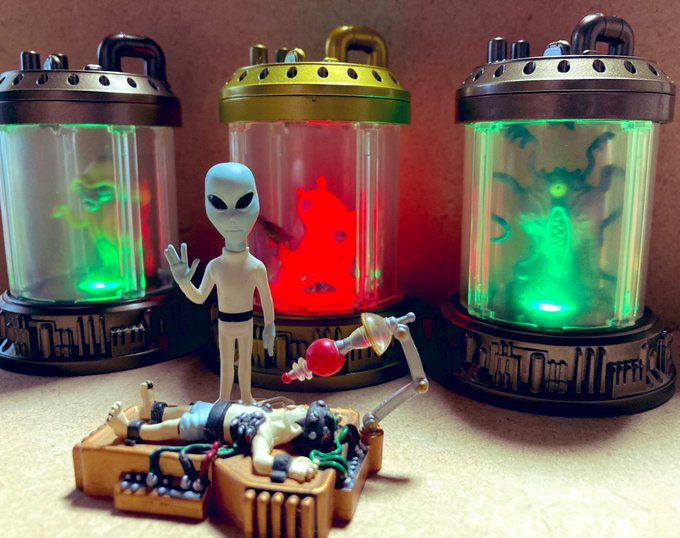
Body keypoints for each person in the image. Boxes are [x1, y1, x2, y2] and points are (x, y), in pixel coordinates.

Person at [164, 162, 275, 403]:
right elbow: (199, 297)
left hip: (245, 323)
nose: (232, 217)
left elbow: (266, 299)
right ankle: (223, 400)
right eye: (219, 204)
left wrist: (270, 325)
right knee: (226, 365)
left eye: (243, 202)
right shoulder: (216, 266)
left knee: (244, 363)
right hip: (225, 324)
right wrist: (184, 282)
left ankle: (247, 397)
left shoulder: (256, 267)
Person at [105, 381, 341, 483]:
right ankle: (151, 410)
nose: (299, 406)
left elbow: (260, 462)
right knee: (183, 409)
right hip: (217, 408)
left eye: (302, 410)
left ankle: (129, 430)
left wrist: (290, 466)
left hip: (209, 425)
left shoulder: (265, 432)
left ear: (297, 427)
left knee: (172, 428)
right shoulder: (272, 414)